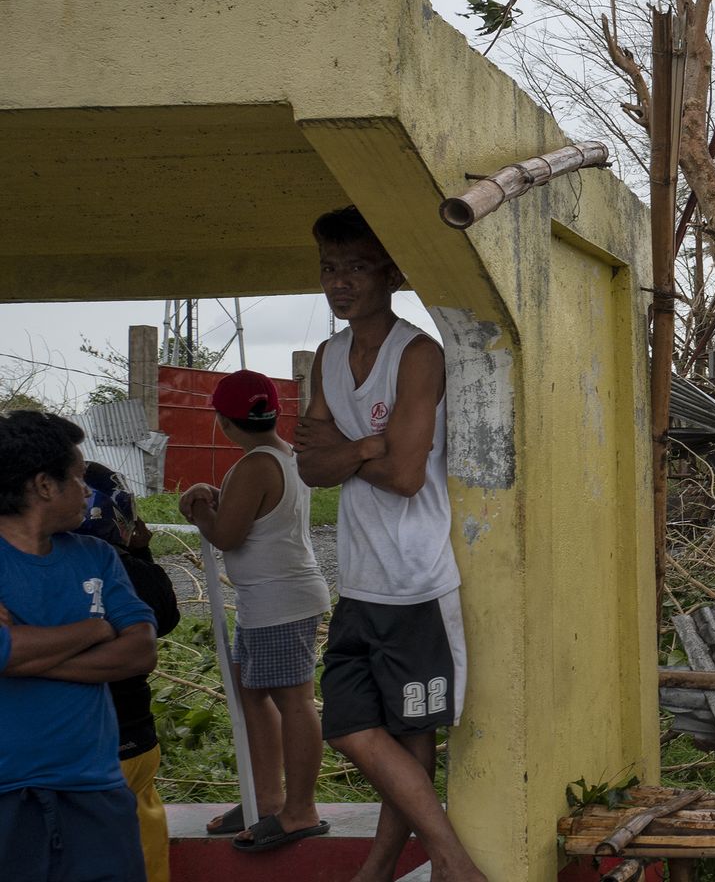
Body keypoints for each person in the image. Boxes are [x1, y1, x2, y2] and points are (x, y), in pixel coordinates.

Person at [295, 205, 485, 882]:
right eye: (328, 269)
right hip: (358, 579)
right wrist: (364, 446)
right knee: (347, 725)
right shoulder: (328, 356)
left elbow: (406, 476)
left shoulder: (418, 352)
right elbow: (310, 466)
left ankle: (381, 866)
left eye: (354, 267)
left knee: (412, 733)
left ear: (391, 272)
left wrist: (351, 451)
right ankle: (454, 861)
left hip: (414, 579)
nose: (338, 283)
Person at [0, 410, 158, 882]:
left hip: (95, 788)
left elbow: (140, 653)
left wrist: (21, 656)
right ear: (44, 486)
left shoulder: (98, 555)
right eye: (76, 478)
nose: (87, 492)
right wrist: (94, 630)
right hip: (8, 791)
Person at [180, 370, 332, 852]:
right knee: (254, 696)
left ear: (224, 421)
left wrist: (194, 506)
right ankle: (265, 799)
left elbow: (226, 534)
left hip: (279, 600)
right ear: (274, 412)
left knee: (294, 700)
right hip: (268, 599)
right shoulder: (282, 457)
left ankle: (300, 810)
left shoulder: (255, 465)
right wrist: (213, 499)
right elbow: (253, 517)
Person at [82, 462, 182, 882]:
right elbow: (167, 614)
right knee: (142, 832)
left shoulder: (62, 571)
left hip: (86, 747)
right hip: (138, 740)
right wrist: (142, 553)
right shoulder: (133, 571)